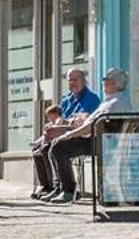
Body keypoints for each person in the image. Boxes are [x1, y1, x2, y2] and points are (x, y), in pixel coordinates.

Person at [44, 68, 129, 203]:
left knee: (59, 147)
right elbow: (88, 122)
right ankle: (59, 187)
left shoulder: (115, 103)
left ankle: (68, 190)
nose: (104, 84)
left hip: (102, 142)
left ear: (114, 84)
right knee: (52, 145)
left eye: (106, 81)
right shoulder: (110, 101)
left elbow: (91, 126)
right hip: (96, 138)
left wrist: (70, 134)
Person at [31, 67, 100, 199]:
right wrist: (54, 126)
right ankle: (49, 186)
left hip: (86, 137)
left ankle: (68, 189)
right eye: (70, 80)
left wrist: (61, 126)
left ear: (84, 81)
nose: (72, 83)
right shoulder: (67, 100)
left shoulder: (92, 98)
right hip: (67, 134)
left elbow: (81, 123)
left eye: (76, 79)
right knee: (40, 149)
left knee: (57, 148)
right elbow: (63, 120)